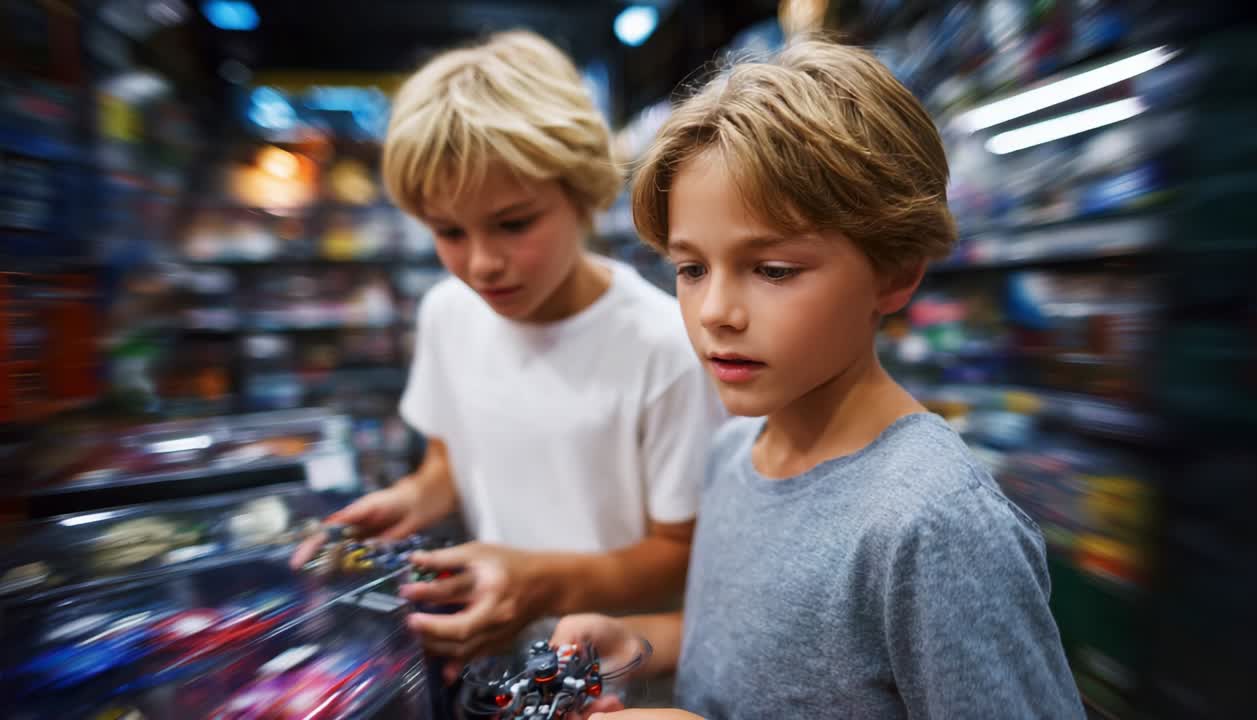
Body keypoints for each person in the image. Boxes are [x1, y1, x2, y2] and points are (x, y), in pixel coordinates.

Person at [552, 38, 1085, 720]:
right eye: (690, 269)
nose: (715, 312)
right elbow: (763, 656)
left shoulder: (933, 525)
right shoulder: (733, 453)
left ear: (894, 272)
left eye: (772, 270)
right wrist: (638, 642)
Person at [293, 30, 722, 669]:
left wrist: (537, 584)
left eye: (514, 223)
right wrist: (408, 502)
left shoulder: (666, 347)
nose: (483, 263)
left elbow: (682, 557)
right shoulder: (448, 313)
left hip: (618, 681)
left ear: (581, 193)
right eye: (449, 232)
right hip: (497, 662)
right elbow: (452, 462)